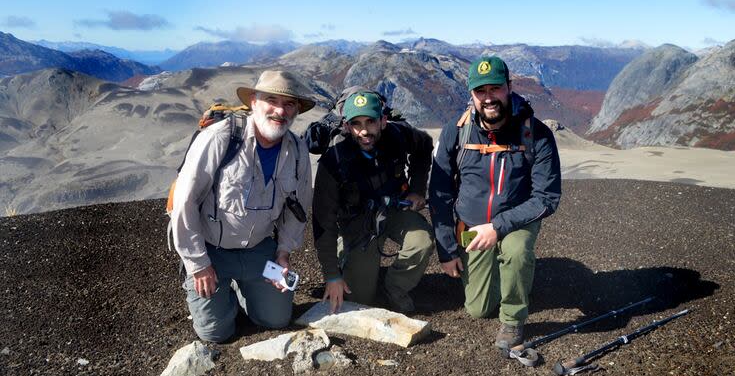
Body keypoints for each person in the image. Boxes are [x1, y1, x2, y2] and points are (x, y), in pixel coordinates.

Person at [171, 70, 314, 342]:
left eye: (289, 104)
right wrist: (198, 263)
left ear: (296, 111)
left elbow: (298, 208)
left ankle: (242, 289)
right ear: (254, 102)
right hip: (211, 251)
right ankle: (216, 285)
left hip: (259, 250)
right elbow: (184, 201)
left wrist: (283, 253)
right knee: (215, 333)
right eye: (271, 100)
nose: (279, 111)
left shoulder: (297, 151)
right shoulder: (220, 138)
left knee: (278, 319)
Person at [429, 56, 561, 350]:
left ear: (509, 87)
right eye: (480, 91)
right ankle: (511, 278)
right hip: (472, 227)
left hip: (516, 220)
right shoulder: (457, 131)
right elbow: (439, 194)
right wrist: (447, 249)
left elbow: (547, 198)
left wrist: (498, 227)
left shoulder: (536, 134)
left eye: (495, 89)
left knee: (516, 250)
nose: (489, 98)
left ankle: (513, 319)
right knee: (478, 309)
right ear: (471, 94)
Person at [312, 89, 434, 314]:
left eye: (371, 121)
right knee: (360, 299)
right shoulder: (335, 159)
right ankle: (346, 254)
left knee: (421, 240)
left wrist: (417, 189)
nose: (364, 131)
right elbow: (324, 221)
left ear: (383, 121)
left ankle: (396, 287)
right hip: (359, 223)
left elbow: (425, 145)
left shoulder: (398, 135)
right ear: (347, 126)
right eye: (356, 124)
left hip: (394, 208)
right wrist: (332, 275)